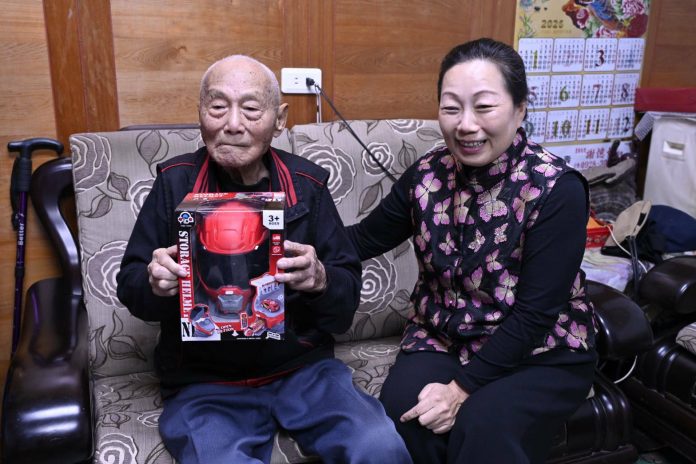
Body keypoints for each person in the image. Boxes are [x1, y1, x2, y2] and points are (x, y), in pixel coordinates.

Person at [116, 55, 411, 464]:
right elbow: (130, 283)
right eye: (218, 106)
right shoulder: (174, 183)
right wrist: (154, 283)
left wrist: (321, 280)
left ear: (280, 119)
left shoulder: (307, 185)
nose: (232, 124)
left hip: (303, 371)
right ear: (200, 112)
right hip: (206, 384)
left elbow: (344, 302)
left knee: (378, 446)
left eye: (251, 108)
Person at [347, 38, 597, 464]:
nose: (465, 124)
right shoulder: (427, 174)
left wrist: (460, 390)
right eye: (451, 108)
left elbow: (535, 315)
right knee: (405, 416)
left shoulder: (556, 188)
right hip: (443, 337)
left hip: (539, 350)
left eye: (484, 107)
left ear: (520, 109)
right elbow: (361, 240)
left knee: (484, 428)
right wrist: (287, 246)